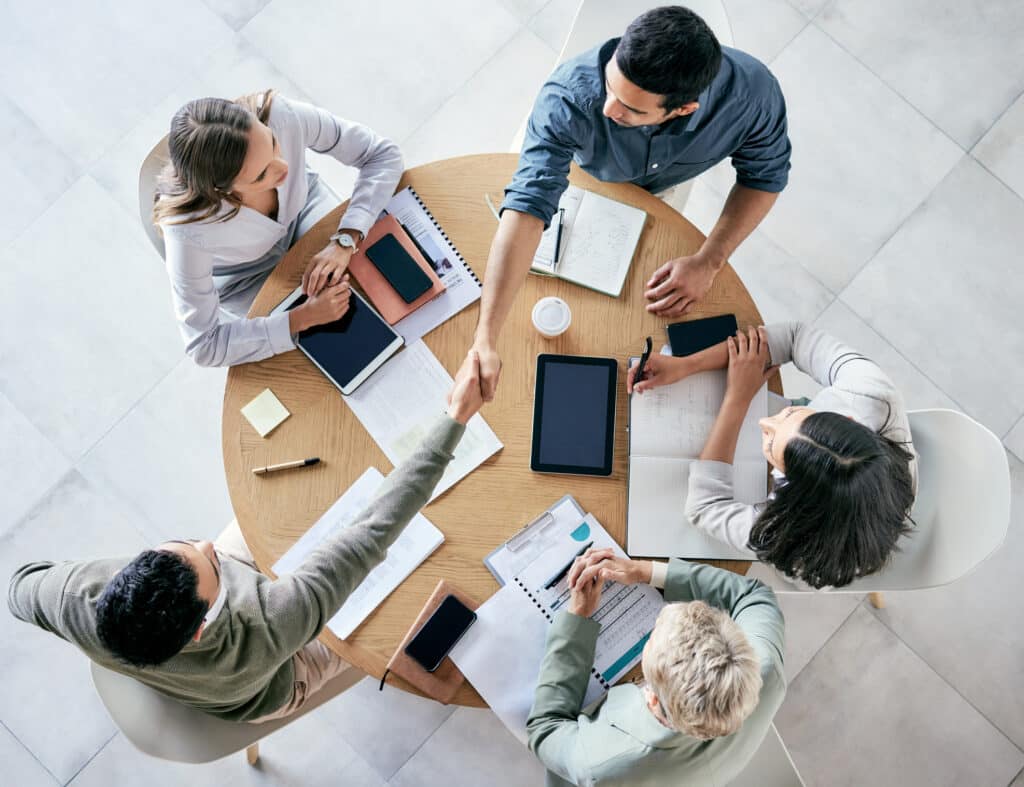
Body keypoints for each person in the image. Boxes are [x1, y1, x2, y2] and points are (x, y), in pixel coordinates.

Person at [7, 354, 485, 722]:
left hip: (197, 653)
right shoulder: (271, 623)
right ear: (199, 629)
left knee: (298, 505)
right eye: (211, 564)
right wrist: (455, 420)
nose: (208, 545)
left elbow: (18, 590)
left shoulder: (72, 598)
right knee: (385, 613)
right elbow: (373, 532)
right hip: (275, 682)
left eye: (186, 545)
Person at [464, 6, 791, 399]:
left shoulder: (753, 96)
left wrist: (709, 260)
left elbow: (764, 179)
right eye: (610, 87)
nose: (608, 110)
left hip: (662, 189)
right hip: (577, 168)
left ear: (684, 109)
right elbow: (527, 208)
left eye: (632, 109)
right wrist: (485, 338)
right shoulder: (570, 96)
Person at [628, 323, 917, 588]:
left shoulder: (792, 536)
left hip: (829, 554)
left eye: (771, 443)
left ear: (793, 493)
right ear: (849, 422)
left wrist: (738, 398)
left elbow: (703, 508)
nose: (764, 423)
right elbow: (795, 337)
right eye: (793, 414)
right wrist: (687, 365)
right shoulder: (870, 394)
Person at [154, 89, 403, 367]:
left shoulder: (281, 116)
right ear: (221, 191)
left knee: (385, 285)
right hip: (246, 278)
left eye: (272, 143)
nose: (283, 167)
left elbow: (381, 155)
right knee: (338, 353)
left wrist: (347, 237)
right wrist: (301, 318)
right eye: (261, 174)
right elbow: (204, 345)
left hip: (304, 212)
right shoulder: (188, 231)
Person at [527, 548, 785, 786]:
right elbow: (754, 595)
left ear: (650, 698)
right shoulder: (767, 669)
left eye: (653, 637)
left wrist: (576, 619)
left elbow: (545, 729)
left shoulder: (603, 763)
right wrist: (646, 571)